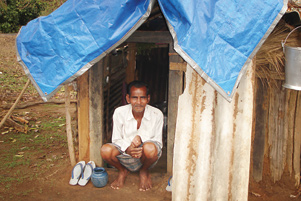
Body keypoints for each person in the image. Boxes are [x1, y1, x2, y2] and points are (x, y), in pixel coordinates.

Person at [100, 81, 164, 191]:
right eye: (134, 98)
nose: (138, 102)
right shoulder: (119, 112)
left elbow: (158, 142)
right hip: (126, 153)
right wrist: (128, 148)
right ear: (128, 98)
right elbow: (116, 139)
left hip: (146, 157)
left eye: (142, 98)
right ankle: (122, 171)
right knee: (105, 150)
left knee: (150, 148)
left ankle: (144, 171)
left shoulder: (157, 114)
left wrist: (141, 141)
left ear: (148, 98)